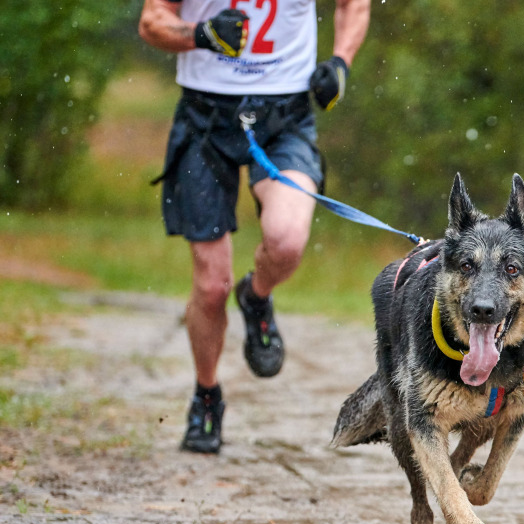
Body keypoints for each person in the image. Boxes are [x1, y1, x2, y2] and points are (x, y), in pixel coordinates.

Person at [138, 0, 370, 454]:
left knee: (286, 240)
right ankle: (207, 396)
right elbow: (151, 23)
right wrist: (200, 34)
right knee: (210, 285)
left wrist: (340, 61)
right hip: (204, 116)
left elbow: (353, 5)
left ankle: (256, 294)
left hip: (286, 116)